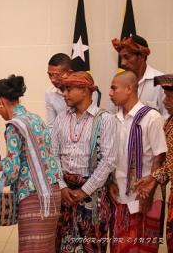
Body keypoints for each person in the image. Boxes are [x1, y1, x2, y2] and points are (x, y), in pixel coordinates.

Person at [0, 74, 62, 252]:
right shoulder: (35, 119)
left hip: (33, 196)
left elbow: (12, 168)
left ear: (0, 101)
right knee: (47, 248)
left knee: (31, 248)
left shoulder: (14, 126)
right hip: (53, 193)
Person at [52, 72, 118, 253]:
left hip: (93, 193)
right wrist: (62, 186)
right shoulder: (61, 119)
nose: (63, 94)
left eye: (68, 89)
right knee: (64, 245)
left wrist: (84, 191)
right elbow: (53, 155)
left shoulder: (105, 120)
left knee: (92, 245)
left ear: (84, 90)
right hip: (65, 193)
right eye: (63, 89)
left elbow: (109, 160)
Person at [107, 71, 166, 252]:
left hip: (144, 197)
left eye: (113, 88)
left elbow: (160, 155)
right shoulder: (113, 120)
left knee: (143, 247)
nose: (110, 93)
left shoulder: (152, 117)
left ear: (129, 88)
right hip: (119, 198)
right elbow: (110, 157)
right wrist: (110, 181)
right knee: (121, 247)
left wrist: (150, 190)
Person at [135, 74, 173, 252]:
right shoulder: (169, 122)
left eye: (170, 97)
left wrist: (153, 177)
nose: (164, 102)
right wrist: (153, 178)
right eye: (165, 96)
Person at [110, 35, 168, 119]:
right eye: (121, 58)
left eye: (127, 57)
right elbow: (112, 113)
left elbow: (167, 118)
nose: (122, 63)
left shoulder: (161, 81)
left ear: (141, 57)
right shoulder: (120, 81)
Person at [45, 53, 99, 132]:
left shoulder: (86, 88)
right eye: (50, 75)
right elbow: (51, 126)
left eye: (56, 75)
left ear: (69, 73)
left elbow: (91, 118)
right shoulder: (49, 93)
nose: (52, 79)